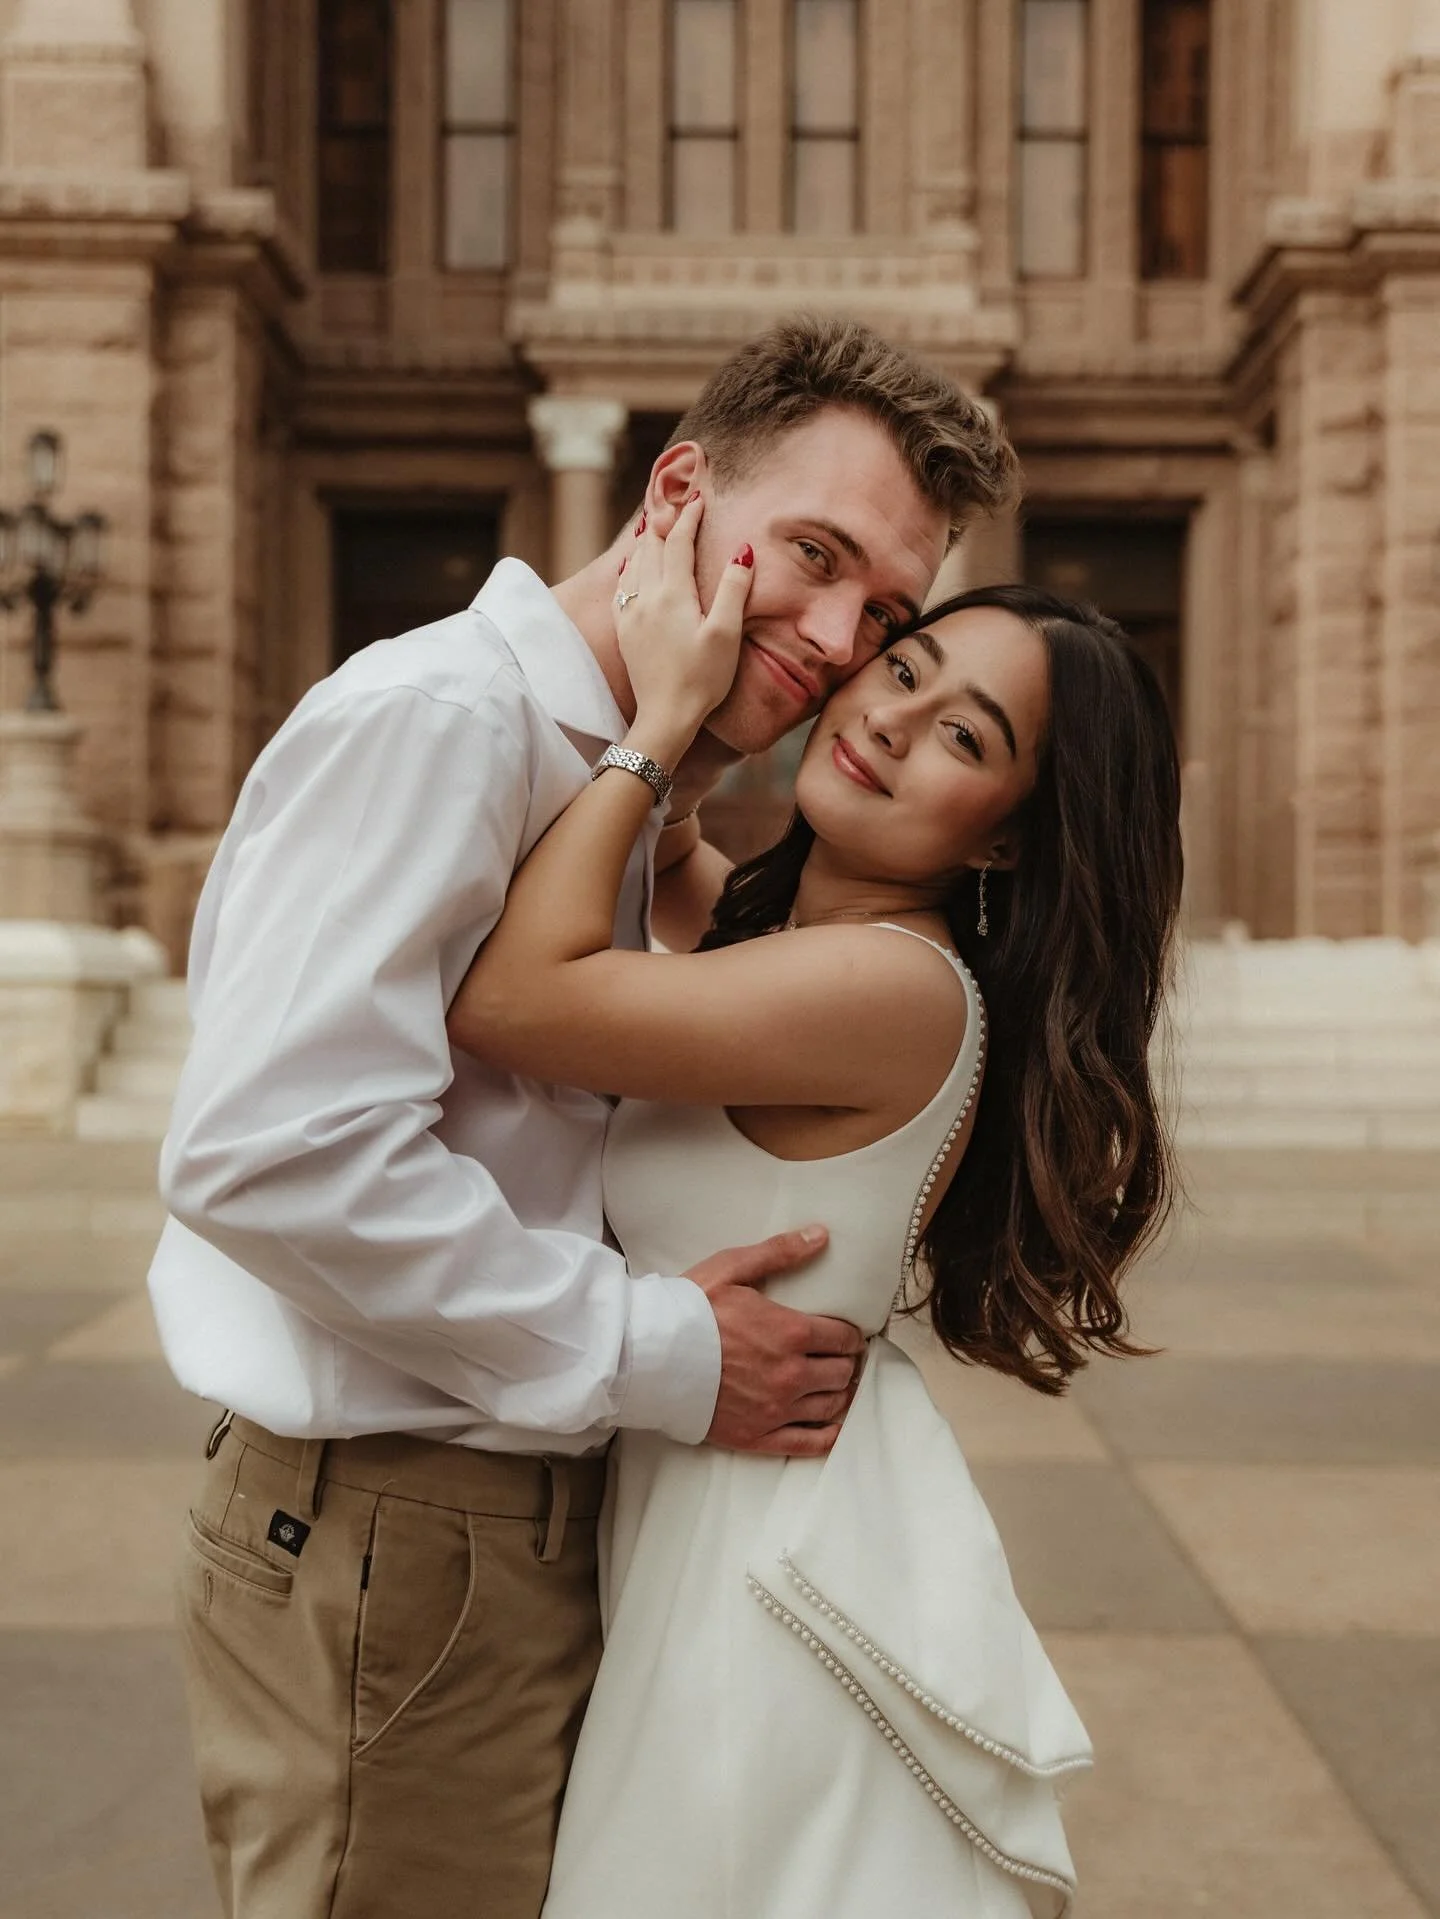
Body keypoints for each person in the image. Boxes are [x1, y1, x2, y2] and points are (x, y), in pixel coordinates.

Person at [148, 315, 1018, 1919]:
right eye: (814, 557)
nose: (835, 637)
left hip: (511, 1521)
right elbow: (269, 1149)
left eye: (885, 611)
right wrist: (667, 1351)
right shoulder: (445, 721)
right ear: (677, 492)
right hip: (400, 1520)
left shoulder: (629, 779)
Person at [446, 506, 1185, 1918]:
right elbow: (663, 867)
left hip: (764, 1574)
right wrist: (721, 673)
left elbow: (512, 1000)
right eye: (904, 669)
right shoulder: (801, 944)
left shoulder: (884, 992)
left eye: (970, 739)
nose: (896, 724)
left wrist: (658, 721)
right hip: (724, 1515)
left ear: (1011, 843)